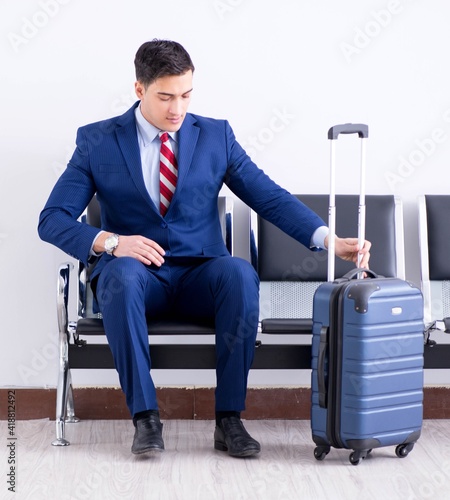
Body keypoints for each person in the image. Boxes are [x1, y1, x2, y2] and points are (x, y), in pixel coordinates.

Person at [38, 39, 371, 458]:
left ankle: (229, 419)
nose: (177, 108)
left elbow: (266, 196)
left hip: (201, 276)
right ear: (139, 89)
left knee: (238, 273)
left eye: (186, 95)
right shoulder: (97, 141)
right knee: (120, 275)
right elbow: (51, 220)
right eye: (165, 97)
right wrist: (113, 242)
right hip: (137, 279)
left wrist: (329, 239)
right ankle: (146, 419)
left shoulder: (216, 136)